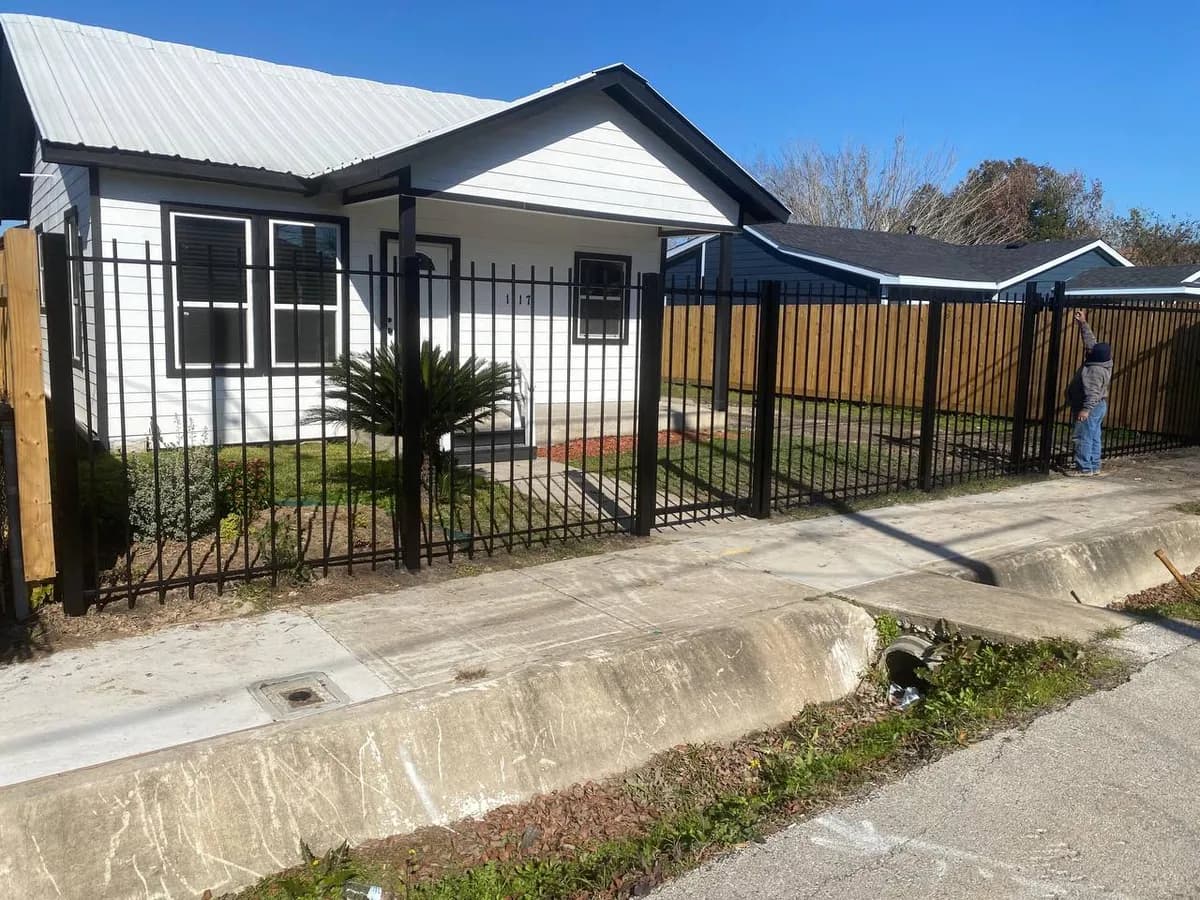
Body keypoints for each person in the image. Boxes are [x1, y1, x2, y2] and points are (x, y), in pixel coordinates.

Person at [1065, 310, 1112, 476]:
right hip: (1100, 406)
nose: (1088, 351)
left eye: (1090, 352)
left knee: (1083, 436)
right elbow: (1091, 342)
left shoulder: (1095, 370)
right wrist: (1083, 324)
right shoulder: (1104, 361)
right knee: (1093, 436)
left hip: (1090, 407)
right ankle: (1093, 465)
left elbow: (1092, 393)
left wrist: (1085, 410)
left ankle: (1084, 467)